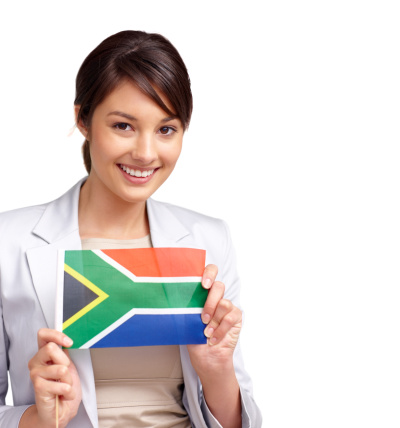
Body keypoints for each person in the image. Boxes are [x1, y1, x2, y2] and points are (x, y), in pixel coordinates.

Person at [0, 30, 262, 427]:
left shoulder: (209, 240)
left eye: (166, 129)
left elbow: (238, 422)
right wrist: (39, 418)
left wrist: (216, 369)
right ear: (83, 120)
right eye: (123, 126)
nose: (145, 153)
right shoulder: (9, 241)